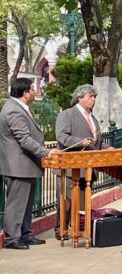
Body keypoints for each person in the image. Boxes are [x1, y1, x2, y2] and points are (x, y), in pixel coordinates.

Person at [0, 78, 59, 249]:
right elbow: (24, 139)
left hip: (26, 165)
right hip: (18, 166)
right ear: (25, 93)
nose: (34, 91)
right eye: (32, 89)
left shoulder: (19, 108)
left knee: (26, 204)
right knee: (17, 204)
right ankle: (12, 238)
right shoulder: (13, 110)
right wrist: (47, 152)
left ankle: (25, 233)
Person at [55, 84, 110, 240]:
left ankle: (79, 228)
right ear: (80, 97)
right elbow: (61, 137)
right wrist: (80, 141)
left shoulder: (92, 118)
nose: (93, 99)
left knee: (82, 202)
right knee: (66, 202)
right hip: (69, 167)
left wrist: (106, 147)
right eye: (90, 96)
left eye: (95, 97)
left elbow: (95, 142)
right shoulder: (67, 114)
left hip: (87, 168)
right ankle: (62, 229)